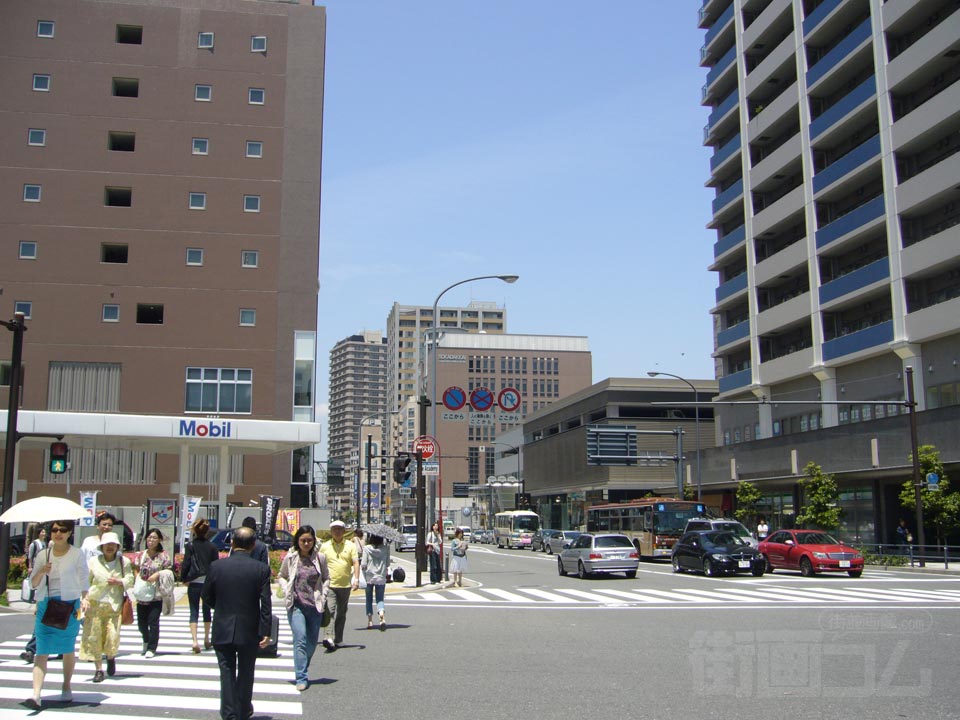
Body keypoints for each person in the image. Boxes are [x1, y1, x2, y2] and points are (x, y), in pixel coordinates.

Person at [202, 526, 273, 720]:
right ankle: (242, 711)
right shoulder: (261, 569)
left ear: (232, 543)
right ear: (253, 545)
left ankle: (229, 714)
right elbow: (265, 602)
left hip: (222, 625)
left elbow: (206, 596)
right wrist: (266, 630)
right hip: (249, 627)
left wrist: (221, 607)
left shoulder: (217, 566)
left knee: (226, 672)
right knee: (246, 671)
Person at [27, 519, 89, 708]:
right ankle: (36, 694)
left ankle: (66, 685)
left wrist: (85, 598)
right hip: (46, 604)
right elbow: (33, 583)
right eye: (54, 530)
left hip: (71, 604)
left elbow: (84, 579)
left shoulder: (77, 554)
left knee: (67, 647)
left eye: (63, 530)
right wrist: (41, 571)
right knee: (41, 650)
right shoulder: (43, 555)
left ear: (70, 533)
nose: (58, 533)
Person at [278, 525, 330, 691]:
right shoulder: (291, 557)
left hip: (315, 605)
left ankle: (302, 665)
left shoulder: (320, 558)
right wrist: (286, 588)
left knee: (311, 643)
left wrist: (324, 593)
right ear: (297, 541)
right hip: (296, 605)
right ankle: (301, 676)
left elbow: (327, 578)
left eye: (309, 540)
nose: (306, 543)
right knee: (300, 640)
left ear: (314, 541)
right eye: (303, 540)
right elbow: (282, 575)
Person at [79, 531, 134, 682]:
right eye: (106, 545)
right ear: (101, 547)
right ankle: (98, 669)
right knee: (94, 637)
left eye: (113, 545)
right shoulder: (93, 561)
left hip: (114, 605)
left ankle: (110, 657)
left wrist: (119, 582)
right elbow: (85, 581)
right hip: (95, 603)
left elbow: (130, 579)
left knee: (112, 636)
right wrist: (84, 599)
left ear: (117, 547)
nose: (109, 547)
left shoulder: (124, 562)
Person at [181, 517, 220, 653]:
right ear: (207, 531)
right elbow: (216, 566)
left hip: (194, 581)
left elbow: (186, 563)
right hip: (208, 582)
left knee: (193, 611)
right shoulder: (213, 547)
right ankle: (207, 639)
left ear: (195, 531)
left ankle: (194, 641)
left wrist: (183, 578)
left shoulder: (190, 546)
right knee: (207, 610)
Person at [319, 520, 359, 650]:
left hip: (345, 584)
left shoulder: (350, 546)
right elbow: (319, 563)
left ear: (344, 531)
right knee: (330, 610)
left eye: (339, 529)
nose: (337, 531)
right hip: (329, 584)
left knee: (342, 613)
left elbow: (355, 562)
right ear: (331, 531)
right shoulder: (324, 546)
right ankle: (328, 637)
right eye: (334, 529)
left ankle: (339, 639)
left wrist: (356, 579)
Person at [134, 528, 172, 658]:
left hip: (156, 594)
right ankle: (146, 640)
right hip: (142, 593)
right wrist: (138, 579)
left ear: (159, 540)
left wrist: (157, 575)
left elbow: (168, 571)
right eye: (149, 537)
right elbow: (136, 569)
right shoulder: (141, 554)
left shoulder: (163, 555)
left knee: (153, 622)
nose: (151, 540)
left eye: (154, 538)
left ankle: (152, 647)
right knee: (141, 623)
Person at [361, 533, 390, 630]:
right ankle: (381, 615)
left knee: (368, 599)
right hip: (381, 577)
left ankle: (370, 621)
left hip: (369, 577)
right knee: (380, 599)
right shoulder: (386, 548)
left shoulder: (367, 548)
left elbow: (363, 564)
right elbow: (388, 563)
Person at [26, 525, 47, 603]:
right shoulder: (34, 543)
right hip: (35, 564)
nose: (44, 534)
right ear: (39, 533)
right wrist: (30, 566)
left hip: (42, 565)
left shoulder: (44, 543)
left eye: (45, 532)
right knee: (33, 580)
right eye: (42, 532)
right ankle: (31, 597)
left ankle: (37, 597)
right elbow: (30, 556)